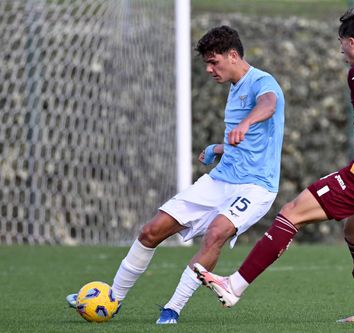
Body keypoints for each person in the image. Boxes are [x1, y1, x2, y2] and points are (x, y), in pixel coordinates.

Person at [194, 9, 354, 323]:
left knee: (292, 213)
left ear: (352, 42)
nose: (342, 52)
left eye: (342, 45)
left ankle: (234, 286)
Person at [66, 25, 286, 325]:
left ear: (233, 55)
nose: (209, 69)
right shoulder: (234, 87)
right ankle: (113, 298)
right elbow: (253, 140)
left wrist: (245, 123)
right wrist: (218, 148)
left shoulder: (262, 82)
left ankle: (172, 309)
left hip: (255, 188)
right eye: (206, 63)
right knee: (151, 231)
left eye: (214, 62)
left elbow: (269, 105)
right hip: (220, 179)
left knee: (215, 234)